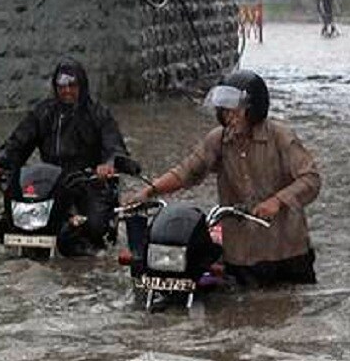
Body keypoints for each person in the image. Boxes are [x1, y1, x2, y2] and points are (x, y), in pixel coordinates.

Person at [130, 70, 321, 287]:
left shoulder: (281, 137)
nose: (229, 116)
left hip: (287, 251)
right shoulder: (218, 140)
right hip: (241, 254)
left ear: (253, 109)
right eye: (224, 111)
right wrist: (149, 191)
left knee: (294, 311)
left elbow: (311, 179)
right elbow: (186, 172)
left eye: (235, 110)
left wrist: (277, 202)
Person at [0, 59, 131, 252]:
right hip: (51, 181)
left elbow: (114, 146)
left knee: (93, 228)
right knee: (8, 220)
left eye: (72, 85)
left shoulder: (98, 114)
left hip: (88, 181)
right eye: (61, 86)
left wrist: (109, 164)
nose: (66, 90)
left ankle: (88, 263)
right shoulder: (43, 112)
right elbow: (18, 142)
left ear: (82, 86)